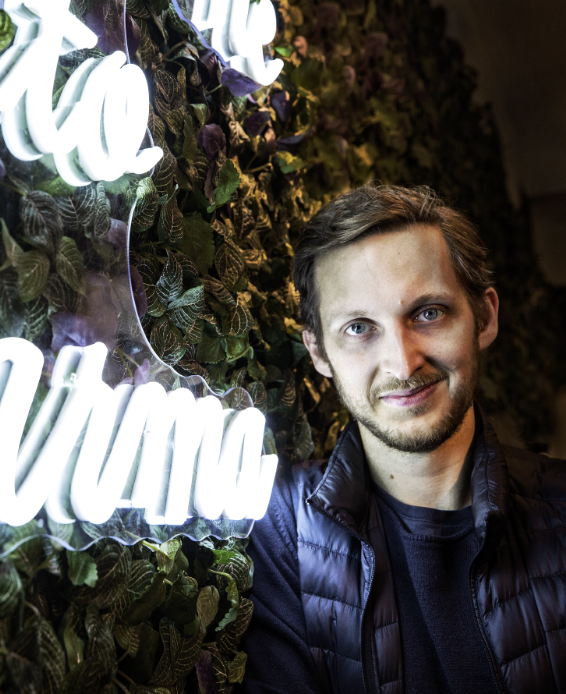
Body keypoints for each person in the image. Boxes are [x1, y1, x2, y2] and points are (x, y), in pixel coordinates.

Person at [241, 185, 566, 694]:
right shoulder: (283, 532)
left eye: (428, 313)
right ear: (319, 352)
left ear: (484, 317)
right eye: (359, 328)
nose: (403, 362)